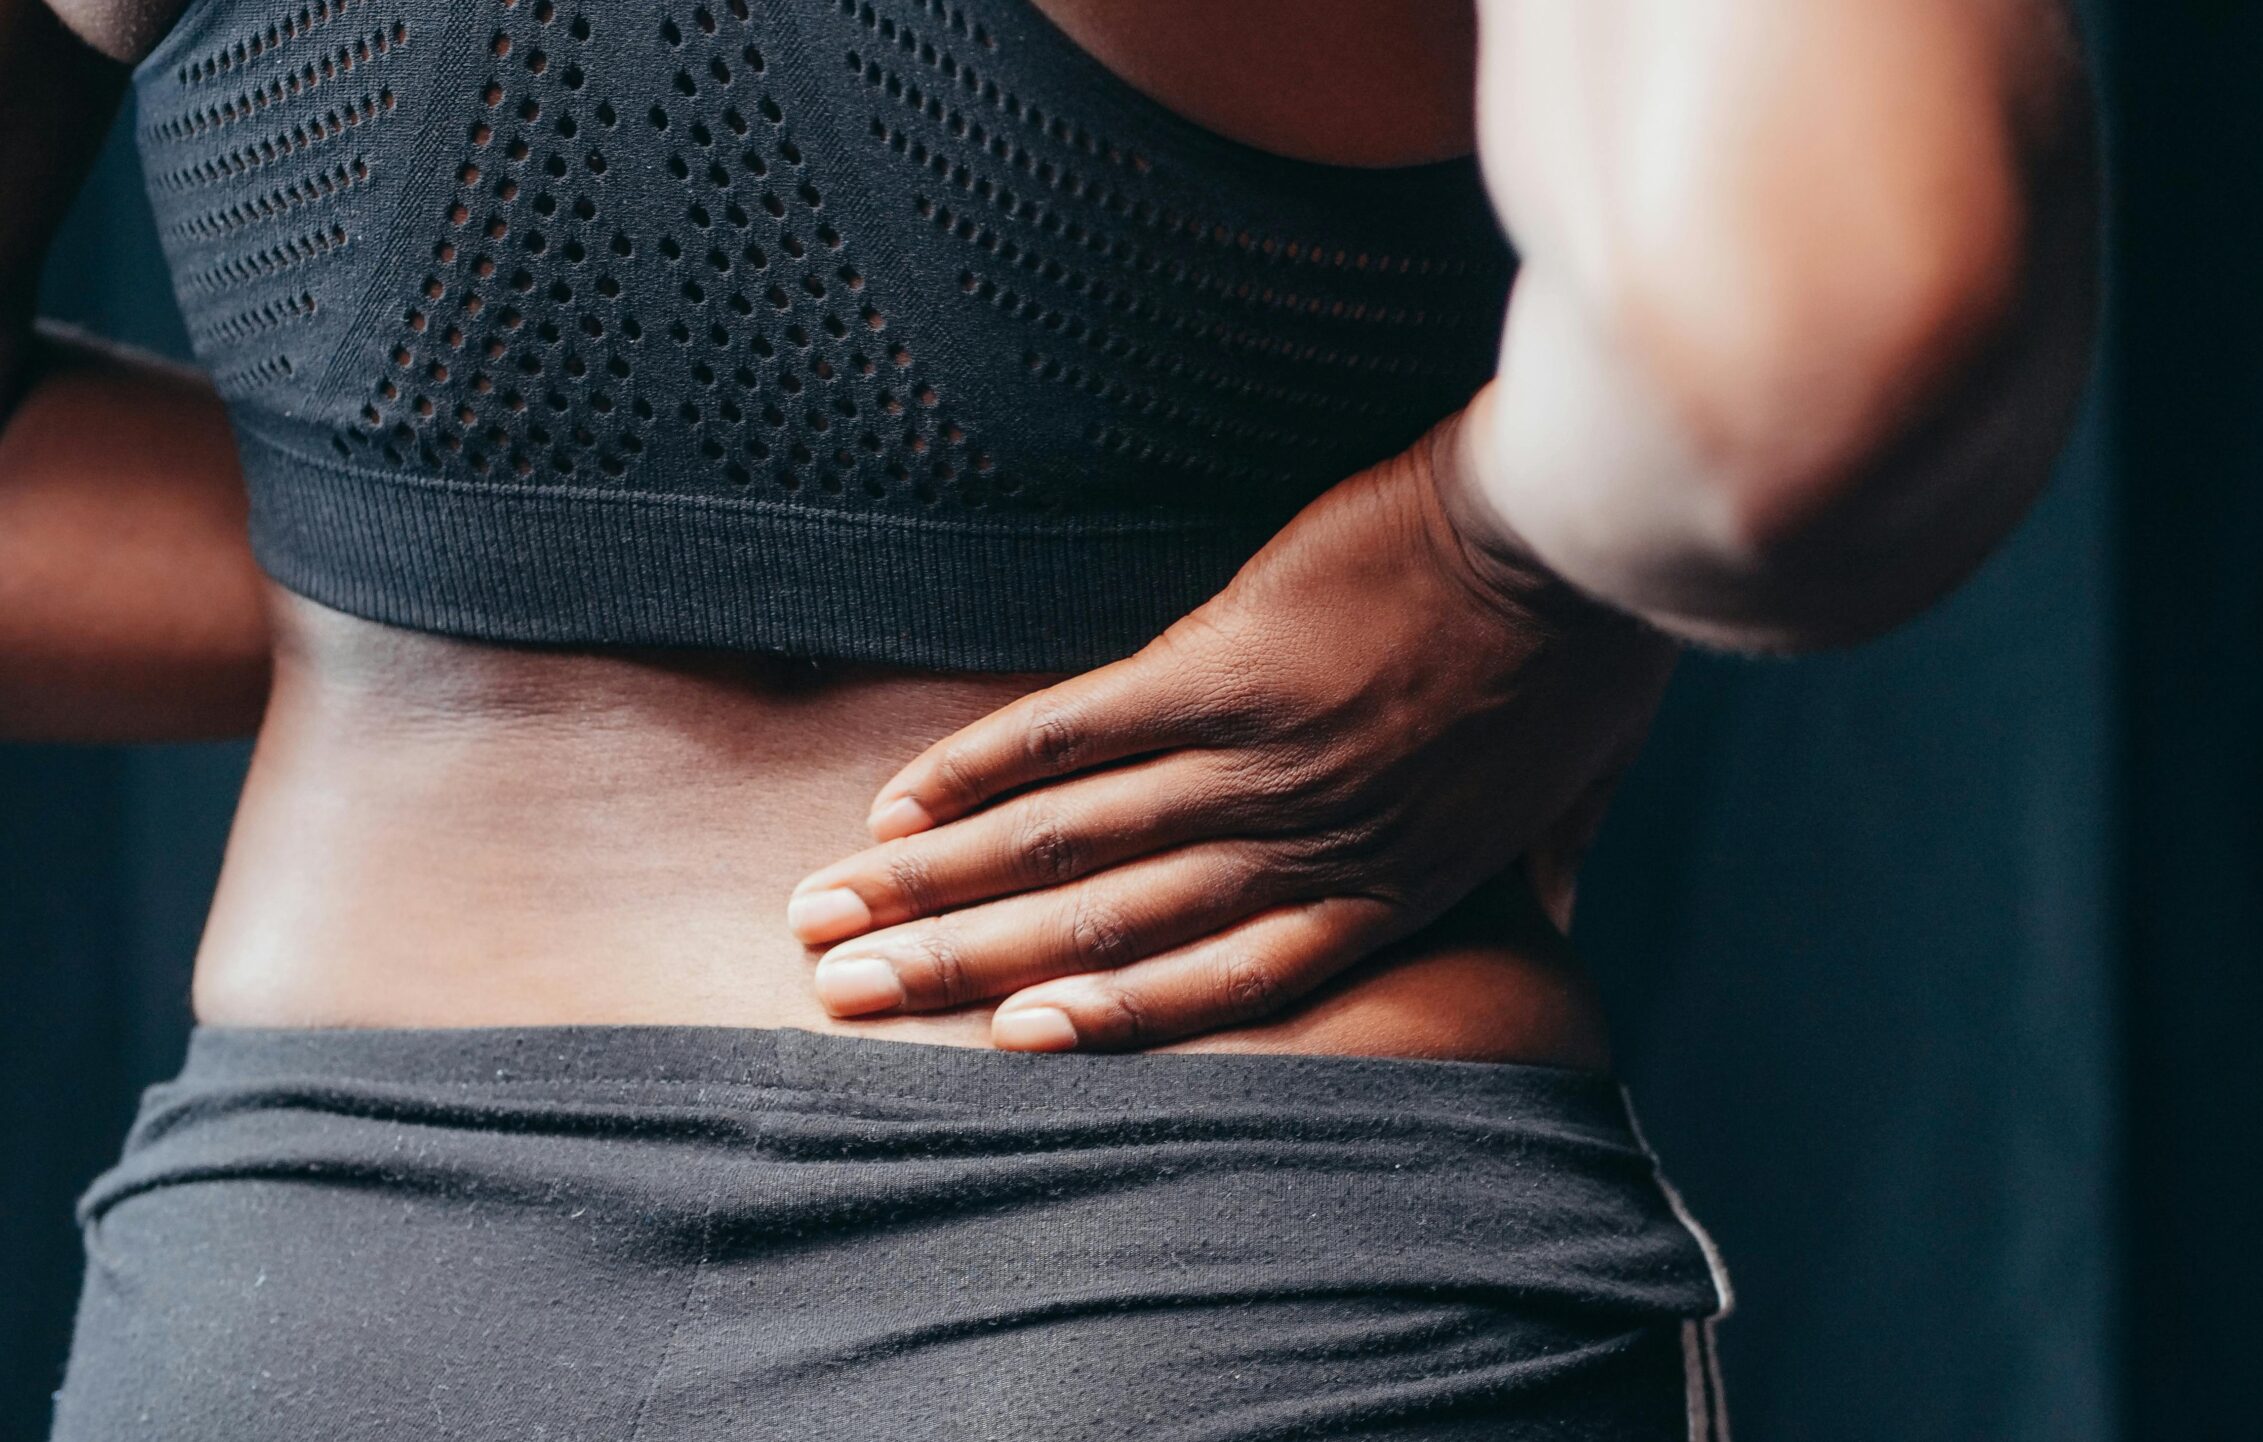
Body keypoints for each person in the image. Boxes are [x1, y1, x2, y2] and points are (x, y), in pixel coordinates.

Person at [3, 0, 2096, 1436]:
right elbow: (1809, 348)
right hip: (1222, 1302)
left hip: (318, 1310)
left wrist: (431, 582)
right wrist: (1489, 557)